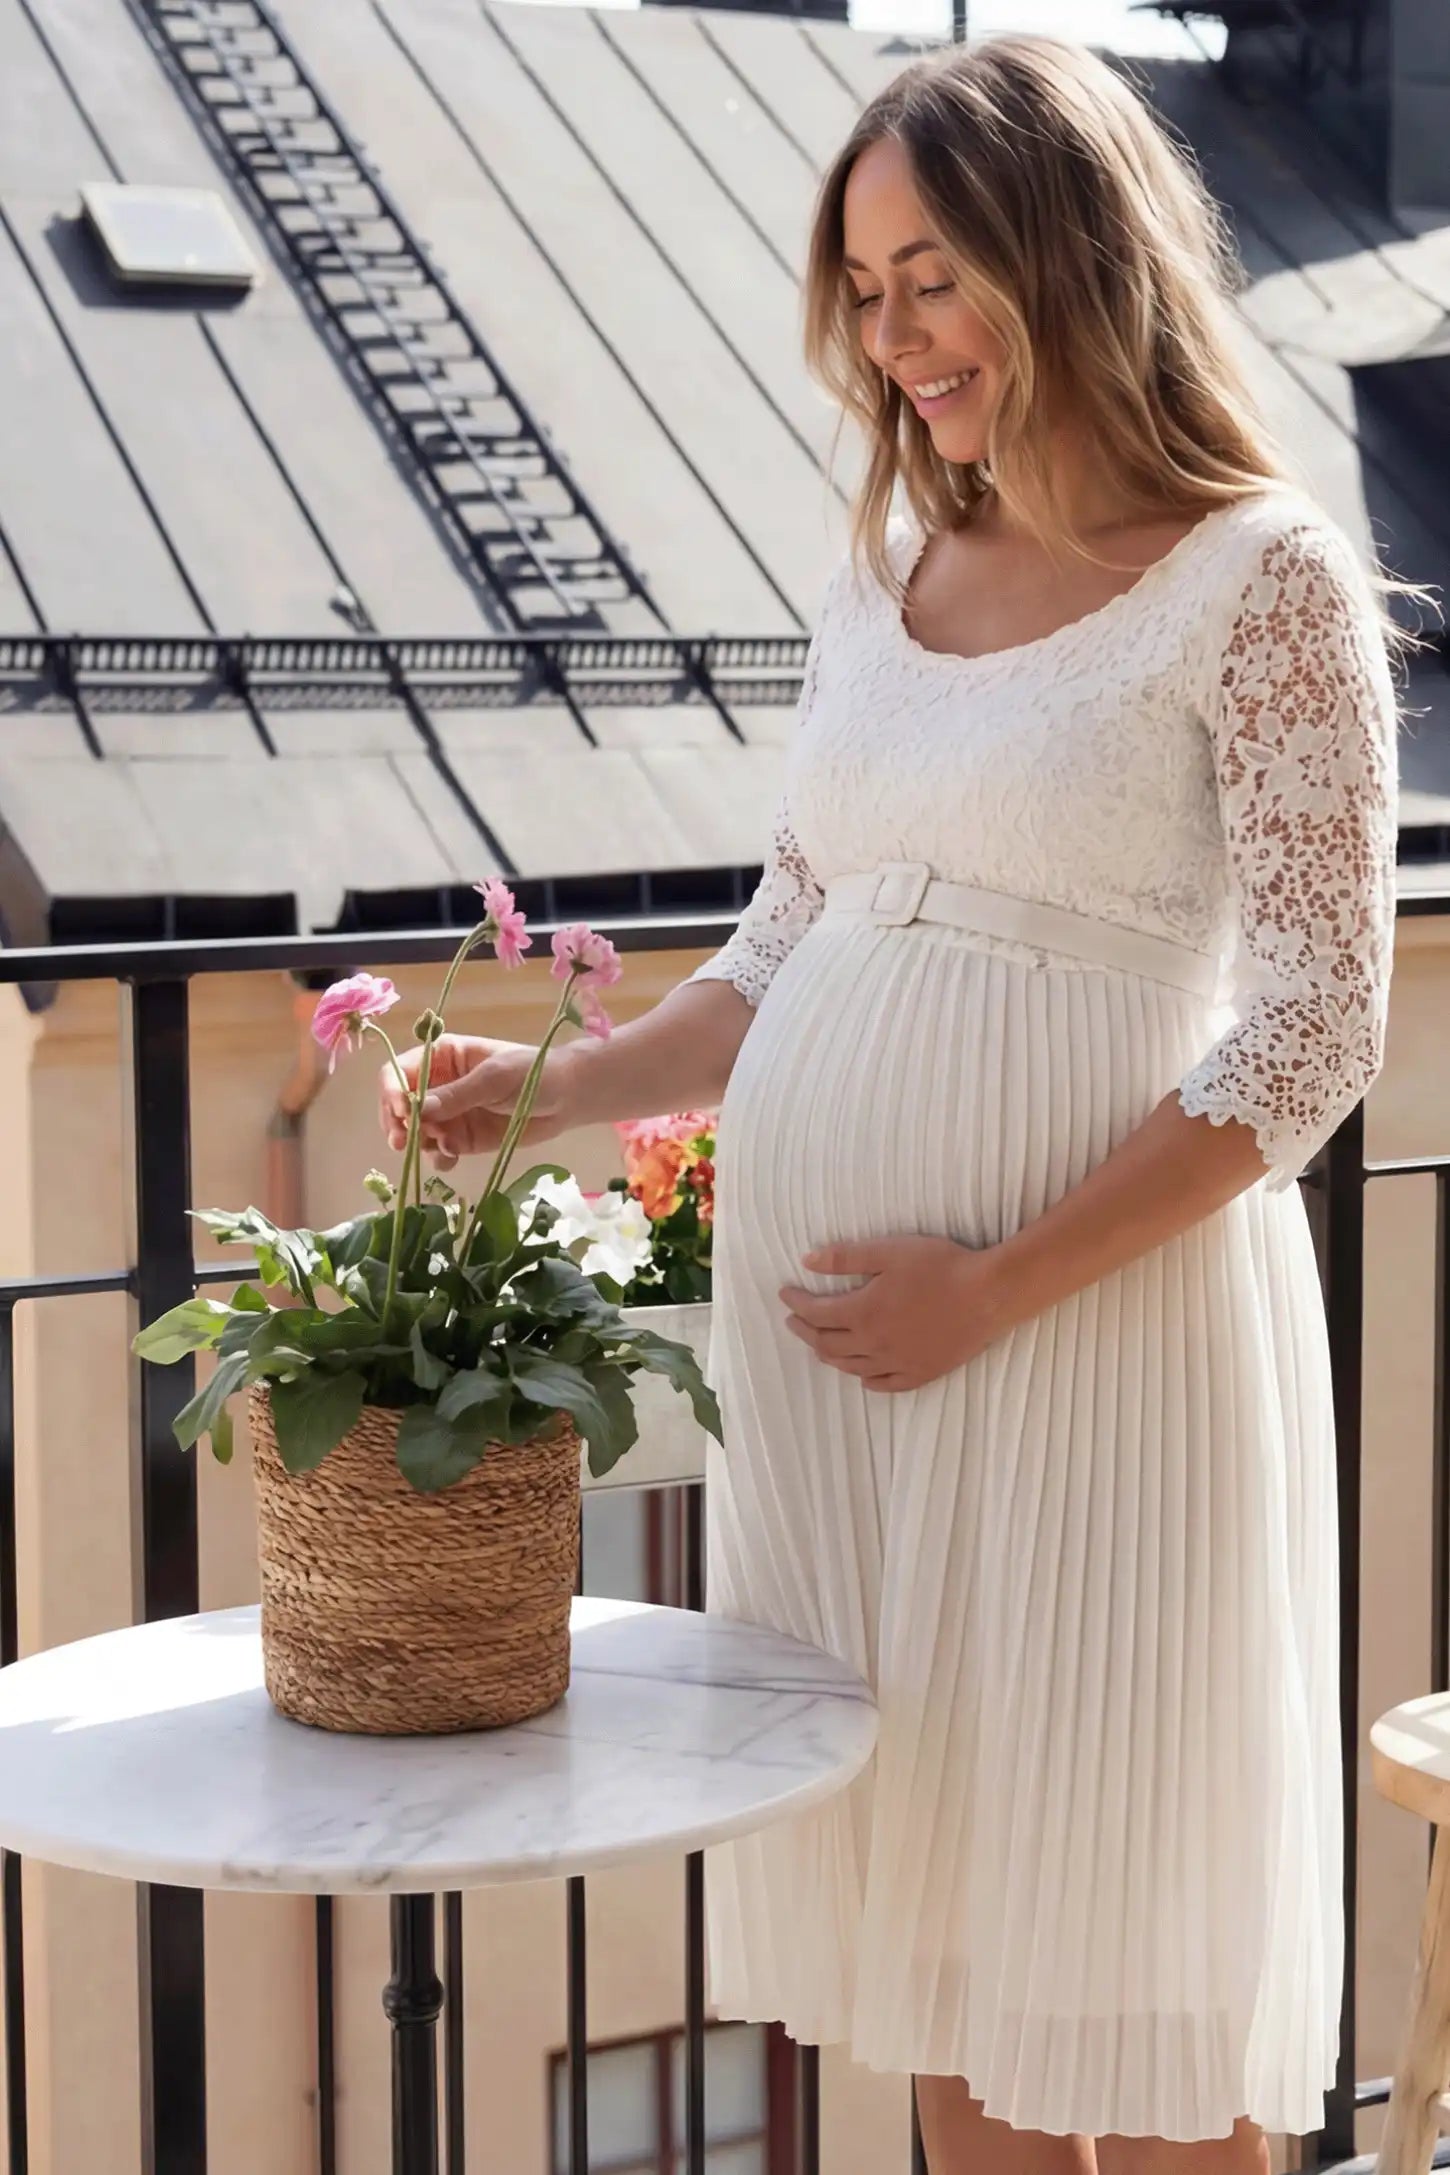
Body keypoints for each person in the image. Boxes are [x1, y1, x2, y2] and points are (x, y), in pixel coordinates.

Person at [379, 37, 1402, 2174]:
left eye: (933, 274)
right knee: (941, 1950)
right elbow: (780, 949)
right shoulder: (885, 574)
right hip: (861, 1386)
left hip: (1092, 1356)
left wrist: (993, 1284)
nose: (892, 335)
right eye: (862, 288)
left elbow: (1312, 1035)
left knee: (1126, 1974)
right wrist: (551, 1084)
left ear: (1065, 251)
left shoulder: (1259, 579)